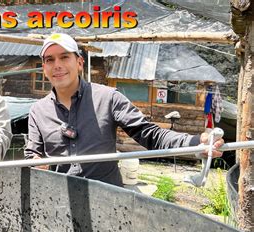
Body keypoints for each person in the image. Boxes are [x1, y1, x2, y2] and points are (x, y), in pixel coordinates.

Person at [24, 33, 224, 186]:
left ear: (79, 63)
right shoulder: (38, 111)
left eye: (64, 57)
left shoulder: (108, 98)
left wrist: (196, 143)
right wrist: (35, 161)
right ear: (44, 68)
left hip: (107, 198)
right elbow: (32, 154)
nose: (57, 65)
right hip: (58, 198)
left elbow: (150, 135)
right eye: (50, 60)